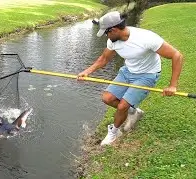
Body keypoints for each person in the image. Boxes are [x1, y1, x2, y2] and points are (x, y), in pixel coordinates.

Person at [77, 11, 183, 146]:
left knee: (122, 106)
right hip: (128, 71)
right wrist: (87, 72)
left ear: (114, 29)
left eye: (106, 33)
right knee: (107, 98)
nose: (106, 36)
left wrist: (173, 85)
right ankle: (133, 111)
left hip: (147, 74)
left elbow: (177, 56)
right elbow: (104, 59)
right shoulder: (113, 41)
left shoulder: (146, 38)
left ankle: (114, 132)